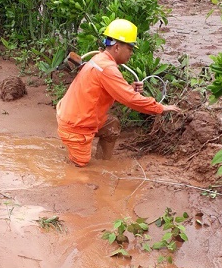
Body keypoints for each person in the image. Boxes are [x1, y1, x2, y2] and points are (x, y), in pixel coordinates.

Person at [56, 18, 182, 167]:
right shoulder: (108, 68)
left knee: (112, 126)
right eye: (130, 48)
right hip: (77, 125)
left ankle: (103, 163)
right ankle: (81, 163)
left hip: (74, 116)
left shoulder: (99, 59)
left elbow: (109, 91)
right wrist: (160, 108)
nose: (131, 53)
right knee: (81, 173)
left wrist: (129, 88)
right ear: (116, 47)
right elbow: (130, 99)